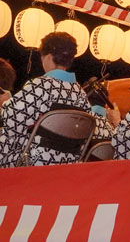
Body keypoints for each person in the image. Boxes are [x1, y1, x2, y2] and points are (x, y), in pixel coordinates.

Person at [0, 32, 109, 167]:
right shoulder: (80, 94)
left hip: (32, 160)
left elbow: (11, 118)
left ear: (48, 57)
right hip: (67, 163)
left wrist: (6, 102)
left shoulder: (40, 85)